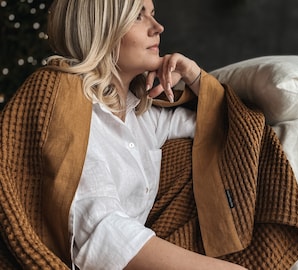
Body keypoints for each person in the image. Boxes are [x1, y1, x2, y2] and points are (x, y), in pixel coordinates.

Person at [45, 0, 247, 269]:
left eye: (153, 15)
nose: (158, 27)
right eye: (139, 17)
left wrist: (194, 75)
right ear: (101, 28)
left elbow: (231, 128)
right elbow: (103, 233)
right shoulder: (65, 106)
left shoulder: (143, 115)